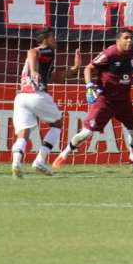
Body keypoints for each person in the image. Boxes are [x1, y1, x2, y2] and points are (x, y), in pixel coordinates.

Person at [52, 30, 133, 168]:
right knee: (87, 133)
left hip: (123, 100)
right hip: (105, 100)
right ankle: (63, 155)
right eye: (126, 38)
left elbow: (124, 70)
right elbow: (88, 69)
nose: (129, 41)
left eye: (131, 38)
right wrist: (89, 86)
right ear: (118, 40)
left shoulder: (130, 53)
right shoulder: (109, 54)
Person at [10, 31, 83, 178]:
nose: (55, 40)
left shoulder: (45, 60)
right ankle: (40, 160)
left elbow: (55, 76)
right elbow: (31, 52)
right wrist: (34, 71)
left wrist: (75, 69)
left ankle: (16, 162)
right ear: (45, 40)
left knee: (23, 133)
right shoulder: (46, 50)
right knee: (57, 124)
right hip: (37, 95)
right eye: (52, 37)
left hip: (21, 97)